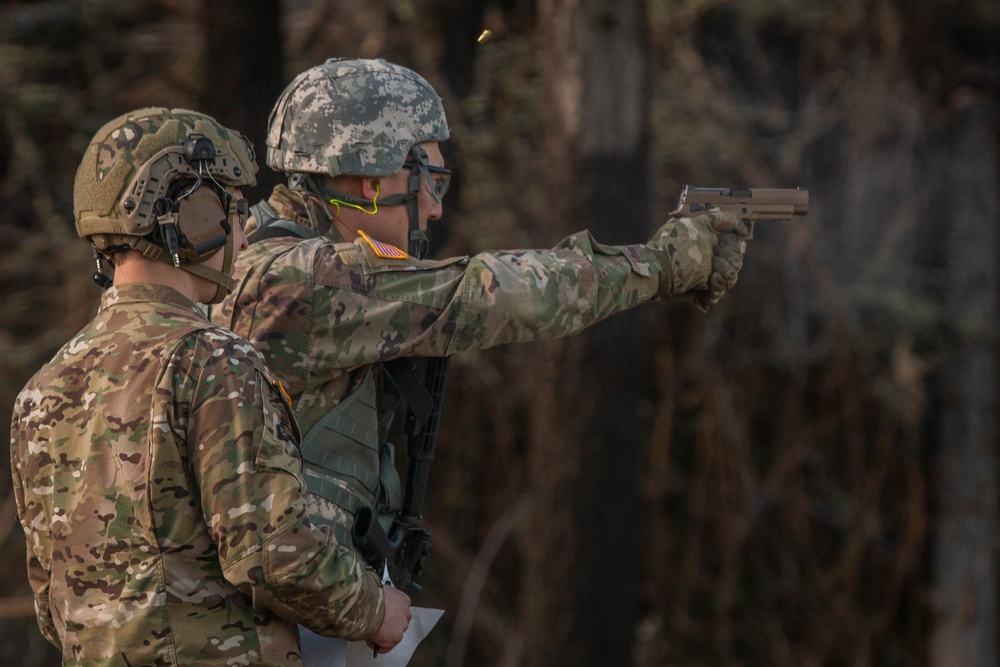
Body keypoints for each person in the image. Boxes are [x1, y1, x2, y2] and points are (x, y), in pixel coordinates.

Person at [211, 58, 751, 576]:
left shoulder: (257, 255)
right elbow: (498, 294)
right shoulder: (306, 279)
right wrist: (657, 267)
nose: (435, 207)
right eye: (428, 179)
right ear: (372, 182)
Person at [9, 107, 412, 666]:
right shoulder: (211, 360)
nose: (244, 233)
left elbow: (52, 598)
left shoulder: (41, 390)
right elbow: (273, 554)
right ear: (195, 216)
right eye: (234, 210)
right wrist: (378, 608)